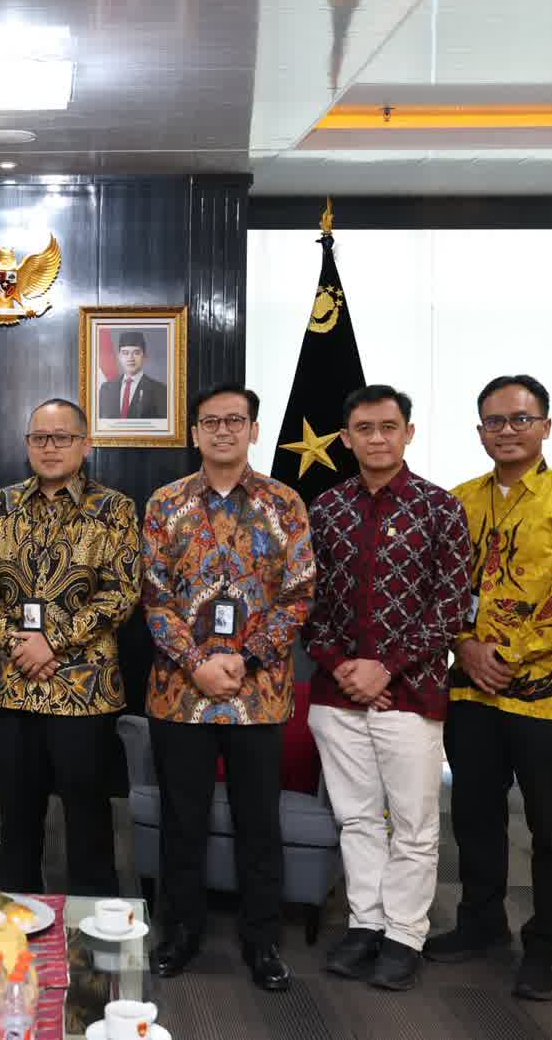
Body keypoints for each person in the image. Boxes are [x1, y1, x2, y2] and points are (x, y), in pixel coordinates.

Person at [425, 374, 552, 1002]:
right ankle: (480, 922)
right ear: (480, 431)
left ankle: (549, 945)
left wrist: (504, 653)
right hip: (470, 689)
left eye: (521, 419)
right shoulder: (457, 502)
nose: (507, 431)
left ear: (546, 427)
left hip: (546, 694)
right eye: (495, 421)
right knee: (474, 813)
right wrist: (464, 644)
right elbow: (440, 586)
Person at [141, 382, 312, 989]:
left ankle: (262, 942)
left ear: (253, 430)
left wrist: (245, 658)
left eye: (234, 421)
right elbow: (154, 597)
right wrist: (197, 662)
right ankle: (181, 933)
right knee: (181, 821)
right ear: (194, 433)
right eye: (211, 422)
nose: (222, 431)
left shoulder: (285, 503)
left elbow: (299, 595)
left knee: (259, 824)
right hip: (180, 694)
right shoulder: (164, 503)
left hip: (257, 694)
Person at [303, 385, 469, 992]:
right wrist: (345, 667)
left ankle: (404, 935)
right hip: (337, 692)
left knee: (413, 824)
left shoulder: (440, 508)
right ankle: (365, 924)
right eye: (365, 429)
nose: (377, 438)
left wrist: (385, 668)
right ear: (346, 438)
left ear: (408, 433)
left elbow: (451, 604)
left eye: (389, 427)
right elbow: (306, 599)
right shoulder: (324, 508)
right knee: (356, 819)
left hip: (412, 692)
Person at [0, 398, 140, 898]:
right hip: (13, 685)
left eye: (62, 437)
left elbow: (122, 592)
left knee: (88, 819)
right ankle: (18, 922)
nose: (50, 447)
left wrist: (52, 643)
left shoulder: (114, 509)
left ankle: (92, 927)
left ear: (85, 444)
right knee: (17, 819)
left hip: (83, 690)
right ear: (27, 445)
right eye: (40, 437)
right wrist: (16, 641)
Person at [96, 331, 167, 420]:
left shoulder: (160, 390)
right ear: (119, 357)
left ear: (144, 356)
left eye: (136, 353)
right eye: (125, 353)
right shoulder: (106, 389)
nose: (130, 358)